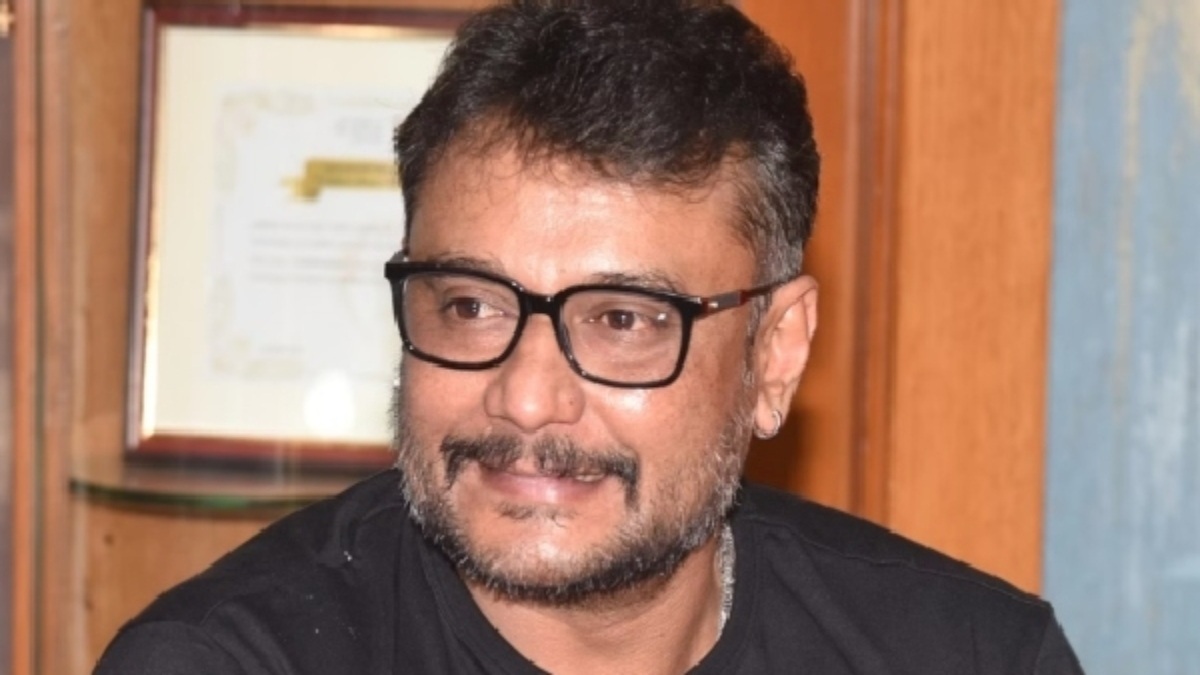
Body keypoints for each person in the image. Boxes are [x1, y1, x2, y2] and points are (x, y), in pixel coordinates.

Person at [96, 1, 1084, 673]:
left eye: (622, 321)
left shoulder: (970, 655)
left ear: (775, 353)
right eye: (471, 305)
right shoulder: (226, 660)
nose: (526, 398)